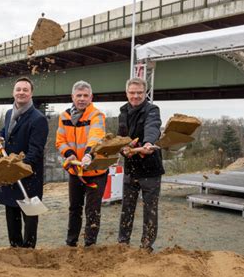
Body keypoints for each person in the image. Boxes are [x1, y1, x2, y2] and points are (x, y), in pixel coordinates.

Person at [0, 77, 48, 248]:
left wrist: (18, 168)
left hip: (28, 175)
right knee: (11, 213)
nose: (21, 92)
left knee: (29, 217)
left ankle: (29, 250)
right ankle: (14, 248)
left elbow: (35, 151)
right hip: (10, 175)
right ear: (13, 92)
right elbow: (6, 133)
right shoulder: (10, 113)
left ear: (31, 93)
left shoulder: (38, 119)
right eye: (18, 89)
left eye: (25, 89)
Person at [56, 80, 108, 247]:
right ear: (73, 97)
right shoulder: (64, 117)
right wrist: (69, 154)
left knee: (92, 210)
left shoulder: (96, 115)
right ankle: (71, 243)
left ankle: (90, 245)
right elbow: (60, 141)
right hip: (75, 171)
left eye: (85, 96)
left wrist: (88, 154)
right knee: (74, 209)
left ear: (91, 97)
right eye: (79, 95)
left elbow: (96, 135)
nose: (82, 99)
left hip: (95, 172)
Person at [117, 77, 165, 252]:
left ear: (145, 93)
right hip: (131, 169)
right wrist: (123, 149)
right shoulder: (123, 111)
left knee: (150, 210)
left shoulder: (152, 110)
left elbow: (153, 126)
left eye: (139, 93)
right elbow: (121, 138)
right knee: (126, 208)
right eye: (132, 93)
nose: (135, 96)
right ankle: (122, 244)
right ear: (127, 93)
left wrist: (148, 143)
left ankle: (146, 246)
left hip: (151, 170)